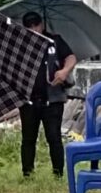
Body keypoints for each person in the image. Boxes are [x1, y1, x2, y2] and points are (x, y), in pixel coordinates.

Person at [19, 12, 77, 177]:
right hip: (28, 99)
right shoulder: (20, 44)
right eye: (29, 26)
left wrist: (64, 71)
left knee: (54, 137)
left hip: (53, 98)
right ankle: (27, 173)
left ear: (41, 24)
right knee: (28, 139)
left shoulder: (54, 41)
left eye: (36, 25)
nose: (34, 29)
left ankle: (58, 173)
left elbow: (71, 57)